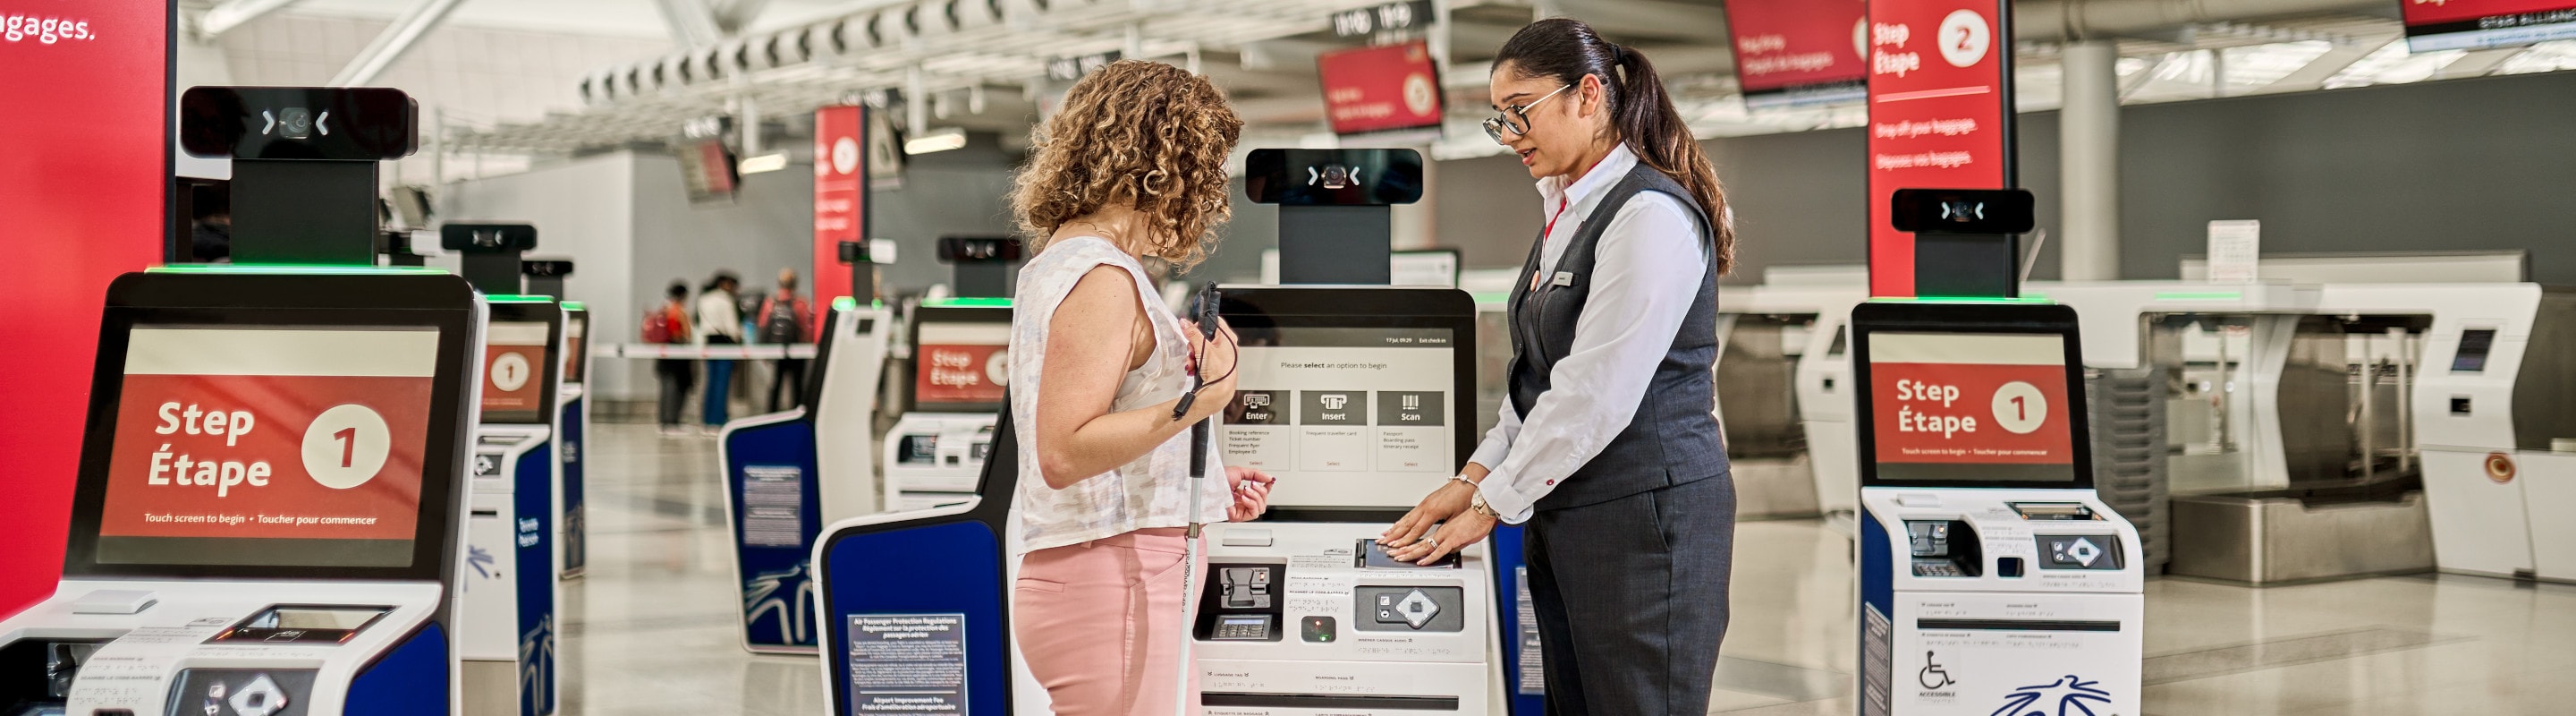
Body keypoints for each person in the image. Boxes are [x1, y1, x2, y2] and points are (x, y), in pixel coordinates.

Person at [1377, 18, 1739, 716]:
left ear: (1588, 95)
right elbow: (1540, 378)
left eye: (1521, 111)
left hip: (1645, 522)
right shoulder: (1568, 210)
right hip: (1571, 512)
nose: (1510, 134)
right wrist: (1473, 476)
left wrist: (1490, 506)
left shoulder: (1649, 215)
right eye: (1498, 119)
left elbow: (1595, 393)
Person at [1005, 60, 1275, 716]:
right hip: (1113, 584)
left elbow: (1101, 423)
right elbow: (1065, 451)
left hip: (1104, 575)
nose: (1205, 193)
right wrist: (1204, 399)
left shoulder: (1065, 261)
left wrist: (1203, 473)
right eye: (1203, 171)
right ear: (1163, 164)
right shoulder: (1101, 276)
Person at [757, 268, 818, 412]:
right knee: (797, 385)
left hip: (776, 350)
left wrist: (764, 350)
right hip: (797, 350)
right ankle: (796, 413)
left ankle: (771, 414)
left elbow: (762, 325)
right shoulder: (801, 303)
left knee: (775, 384)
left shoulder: (770, 302)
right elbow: (806, 327)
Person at [696, 270, 744, 432]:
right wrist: (739, 341)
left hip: (709, 341)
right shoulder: (726, 300)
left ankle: (707, 418)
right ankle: (717, 419)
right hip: (724, 342)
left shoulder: (703, 299)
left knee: (710, 382)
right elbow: (732, 327)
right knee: (722, 383)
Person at [648, 281, 697, 436]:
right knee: (674, 388)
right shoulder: (677, 310)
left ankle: (665, 421)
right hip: (676, 355)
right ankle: (671, 422)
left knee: (667, 388)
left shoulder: (664, 307)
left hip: (665, 356)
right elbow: (678, 333)